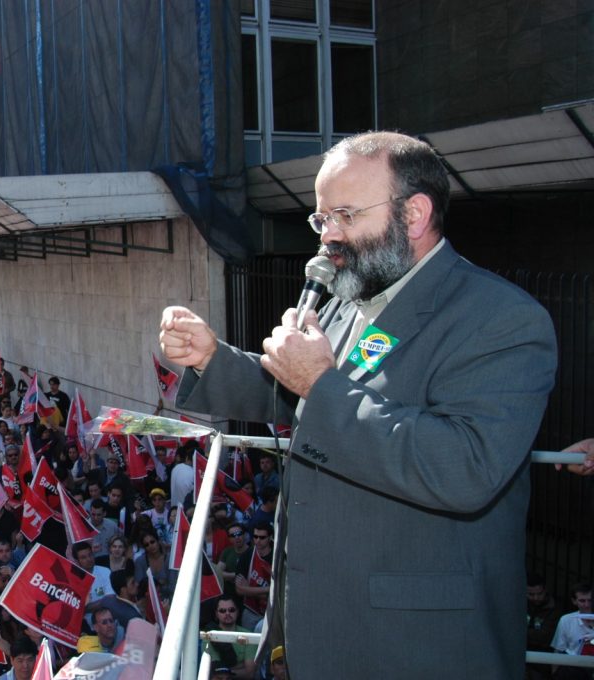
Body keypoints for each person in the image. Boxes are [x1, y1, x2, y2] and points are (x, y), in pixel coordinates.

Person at [160, 131, 558, 679]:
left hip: (415, 648)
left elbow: (465, 468)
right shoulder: (361, 301)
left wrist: (321, 385)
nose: (329, 239)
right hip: (322, 628)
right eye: (321, 220)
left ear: (414, 214)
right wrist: (213, 358)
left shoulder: (502, 320)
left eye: (345, 215)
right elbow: (308, 395)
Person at [203, 596, 256, 680]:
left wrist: (225, 671)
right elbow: (215, 672)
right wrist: (240, 667)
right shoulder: (209, 635)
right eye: (222, 611)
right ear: (216, 614)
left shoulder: (248, 635)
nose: (227, 613)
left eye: (231, 610)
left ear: (237, 612)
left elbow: (250, 673)